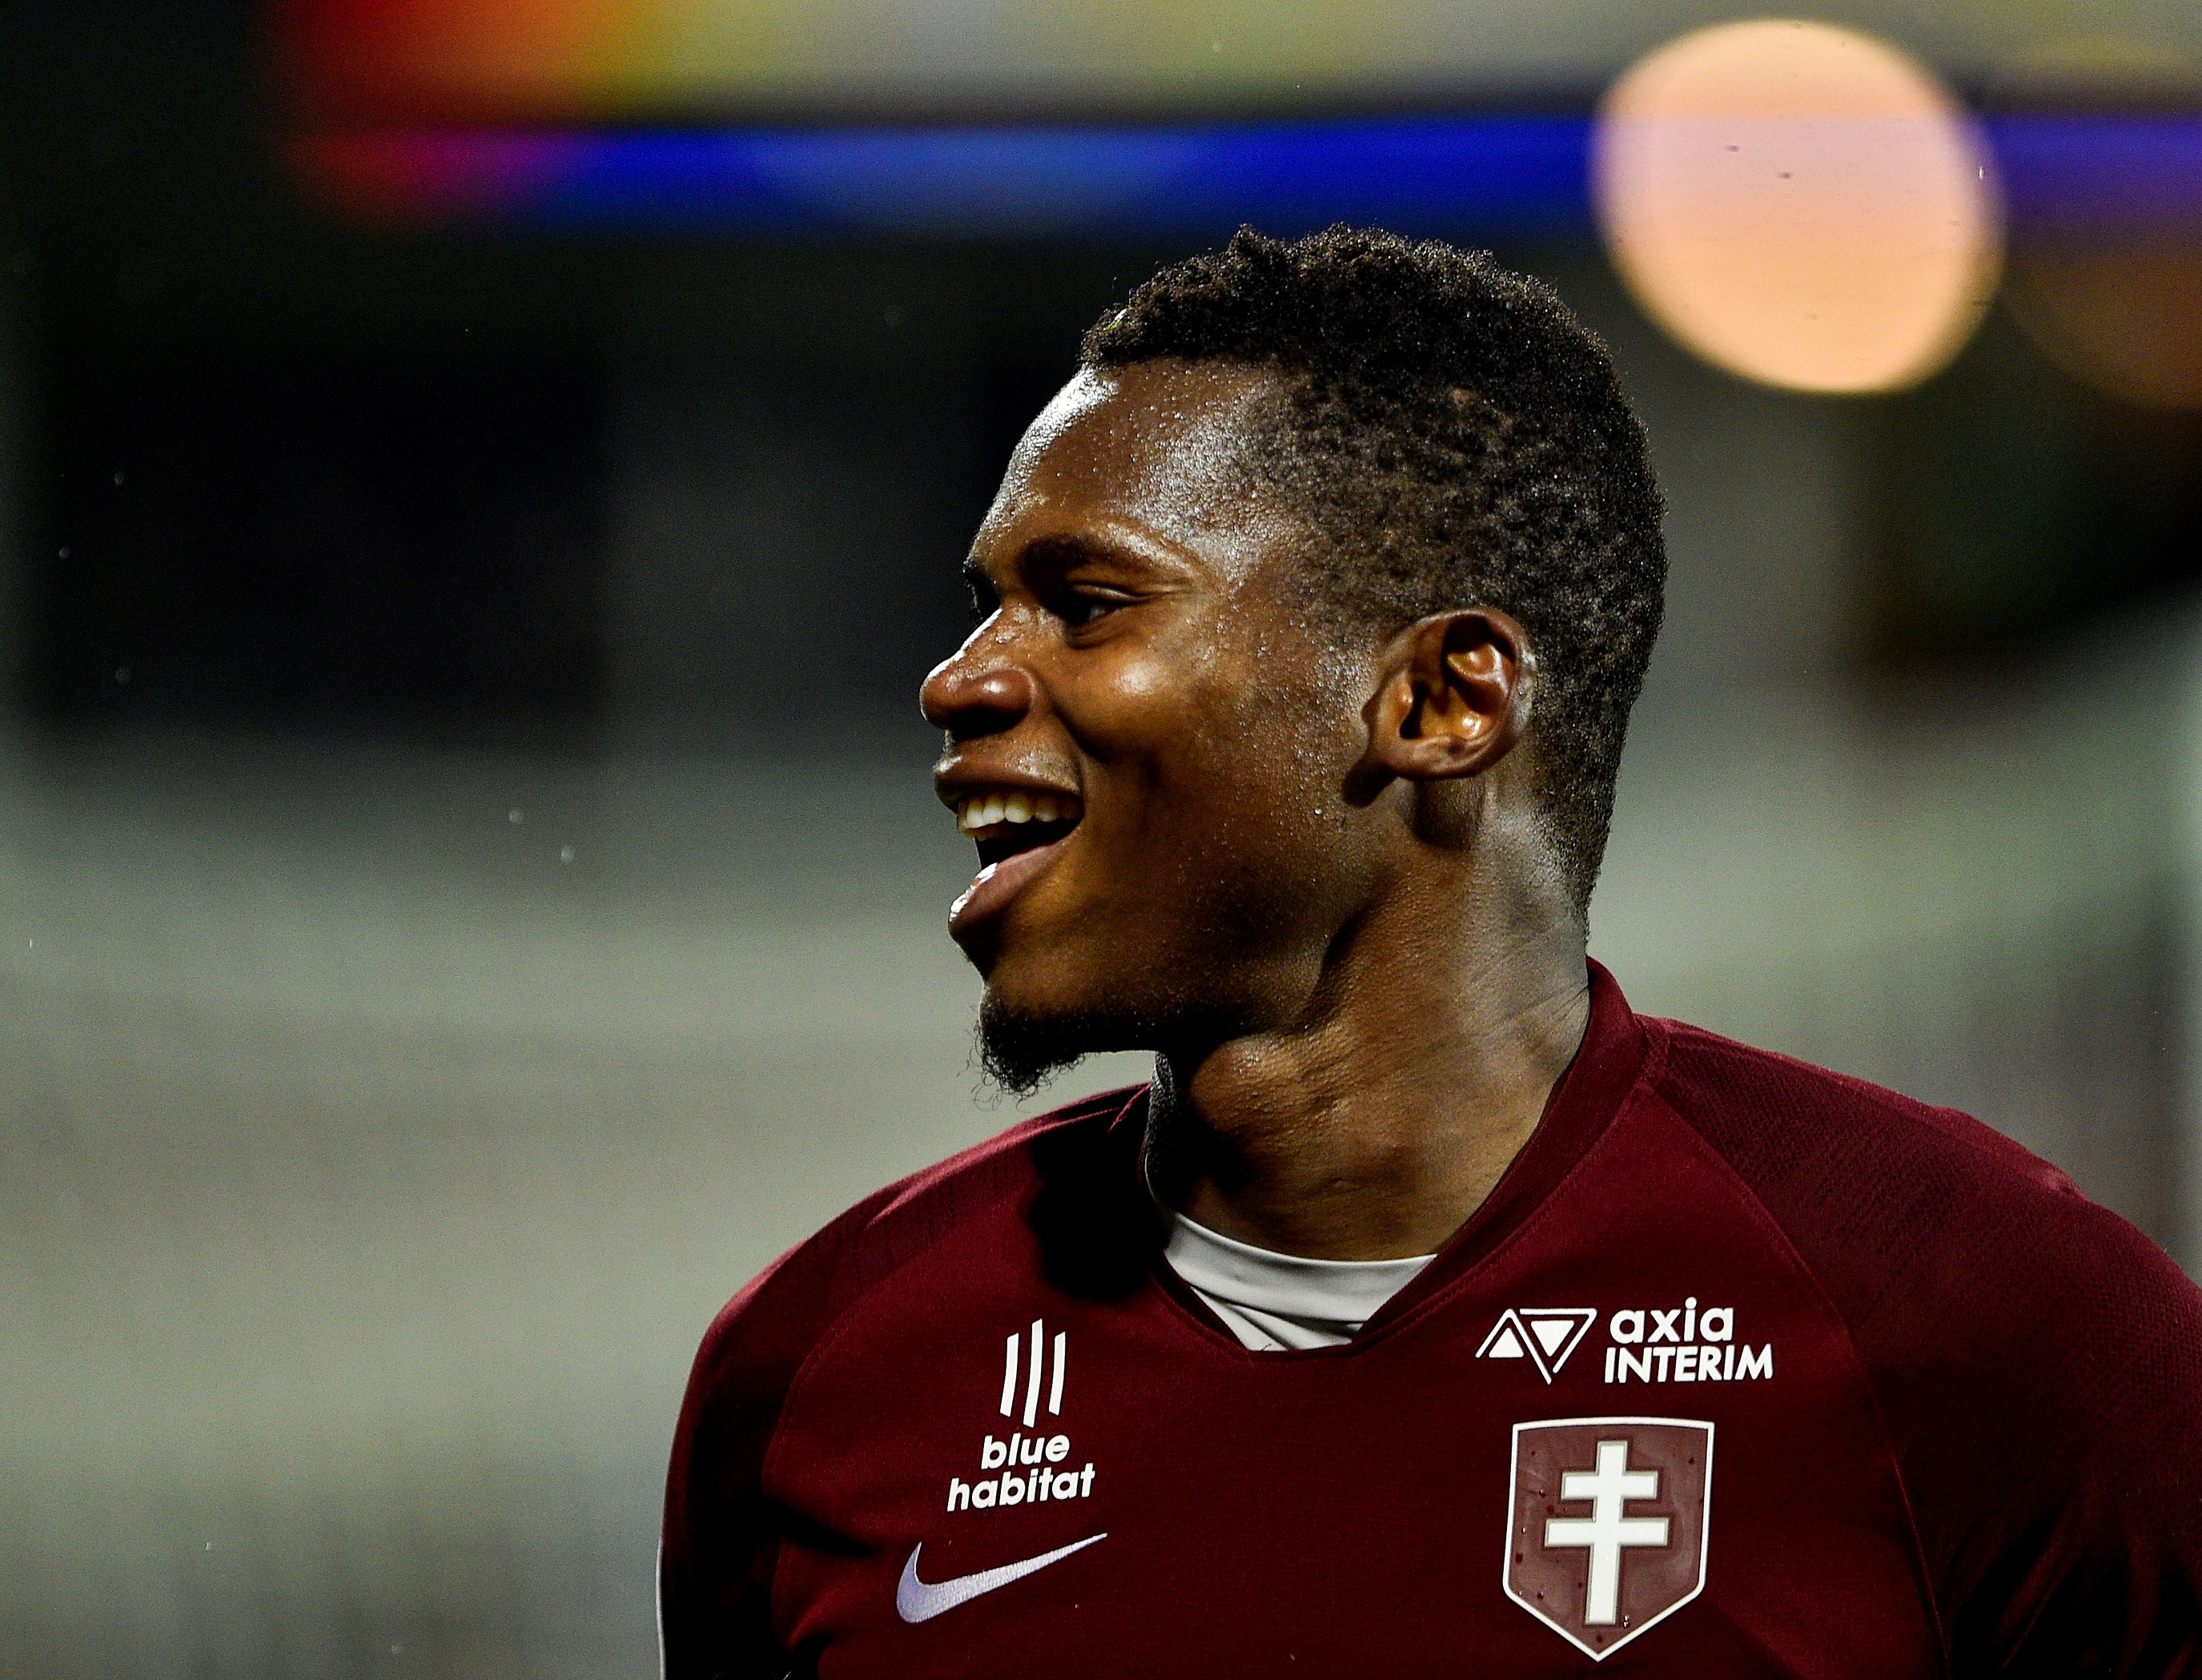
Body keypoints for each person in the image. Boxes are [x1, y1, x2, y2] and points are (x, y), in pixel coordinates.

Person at [657, 224, 2202, 1675]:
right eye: (984, 607)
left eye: (1086, 601)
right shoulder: (817, 1374)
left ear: (1442, 703)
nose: (958, 681)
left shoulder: (1981, 1316)